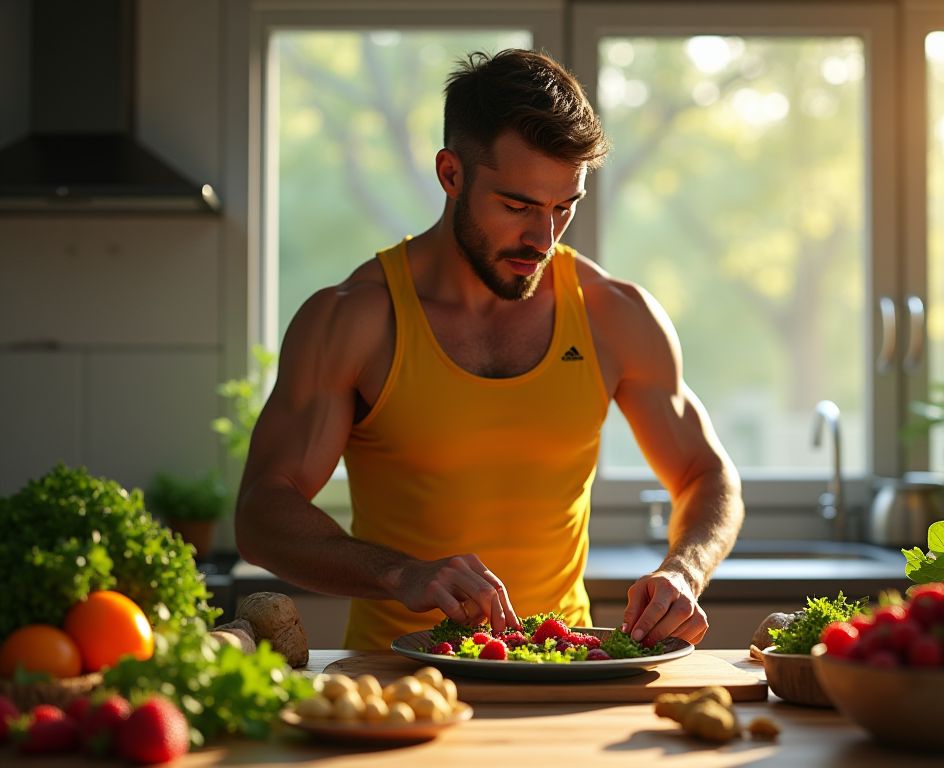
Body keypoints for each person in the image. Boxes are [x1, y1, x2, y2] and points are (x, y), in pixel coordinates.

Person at [235, 48, 744, 651]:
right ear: (451, 174)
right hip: (401, 685)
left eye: (564, 208)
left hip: (564, 672)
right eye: (518, 206)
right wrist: (402, 573)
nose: (543, 237)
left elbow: (705, 472)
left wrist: (683, 571)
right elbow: (262, 513)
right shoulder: (356, 318)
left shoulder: (615, 315)